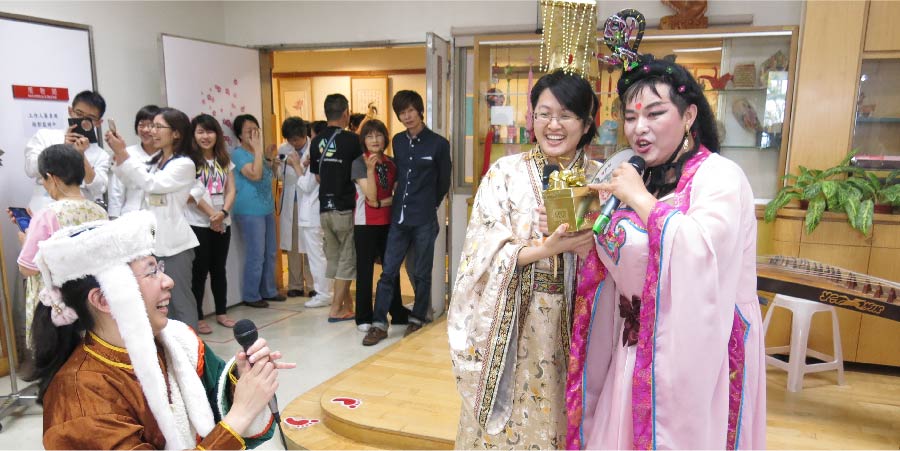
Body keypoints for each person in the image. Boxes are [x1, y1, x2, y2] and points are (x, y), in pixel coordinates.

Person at [567, 23, 766, 449]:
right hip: (633, 350)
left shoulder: (719, 177)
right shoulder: (638, 173)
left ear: (689, 116)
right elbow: (617, 253)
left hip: (692, 357)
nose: (639, 128)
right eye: (631, 116)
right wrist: (586, 230)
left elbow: (700, 256)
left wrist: (641, 200)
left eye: (655, 114)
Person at [26, 211, 293, 449]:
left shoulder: (178, 340)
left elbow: (218, 399)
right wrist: (240, 416)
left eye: (159, 267)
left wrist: (243, 382)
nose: (168, 281)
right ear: (103, 299)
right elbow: (235, 420)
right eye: (151, 272)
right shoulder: (78, 396)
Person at [447, 70, 600, 448]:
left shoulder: (602, 179)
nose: (553, 125)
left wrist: (591, 241)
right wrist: (547, 249)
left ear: (586, 123)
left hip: (581, 323)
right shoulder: (505, 173)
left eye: (566, 115)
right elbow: (480, 251)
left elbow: (625, 257)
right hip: (515, 320)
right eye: (544, 113)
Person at [363, 90, 450, 346]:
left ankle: (417, 319)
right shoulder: (398, 141)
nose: (407, 116)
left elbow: (443, 181)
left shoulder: (438, 143)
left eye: (411, 110)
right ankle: (379, 324)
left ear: (420, 110)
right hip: (399, 218)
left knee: (421, 273)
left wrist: (429, 204)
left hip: (424, 218)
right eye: (402, 112)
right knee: (388, 272)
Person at [105, 107, 203, 330]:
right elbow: (131, 181)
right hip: (150, 242)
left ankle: (192, 347)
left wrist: (124, 155)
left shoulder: (184, 164)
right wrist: (120, 155)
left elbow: (152, 184)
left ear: (176, 133)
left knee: (180, 302)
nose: (152, 131)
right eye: (151, 126)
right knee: (156, 302)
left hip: (174, 245)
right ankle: (168, 347)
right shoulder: (156, 159)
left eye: (158, 126)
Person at [13, 145, 108, 346]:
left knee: (56, 355)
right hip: (91, 298)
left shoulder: (47, 215)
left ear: (52, 177)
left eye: (43, 179)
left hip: (57, 306)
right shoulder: (99, 212)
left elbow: (27, 268)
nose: (44, 184)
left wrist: (26, 240)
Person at [350, 119, 409, 333]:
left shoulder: (391, 163)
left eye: (378, 135)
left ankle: (397, 311)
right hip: (365, 223)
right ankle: (363, 316)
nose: (374, 140)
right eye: (369, 136)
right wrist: (370, 171)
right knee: (365, 270)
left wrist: (380, 203)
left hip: (388, 222)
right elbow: (371, 196)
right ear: (363, 140)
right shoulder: (359, 163)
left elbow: (397, 196)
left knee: (391, 269)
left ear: (385, 138)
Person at [309, 94, 361, 322]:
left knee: (335, 258)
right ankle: (336, 309)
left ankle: (348, 306)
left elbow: (318, 177)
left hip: (324, 209)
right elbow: (359, 174)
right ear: (346, 113)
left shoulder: (315, 141)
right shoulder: (353, 140)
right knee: (347, 260)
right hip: (344, 207)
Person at [185, 114, 237, 334]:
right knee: (199, 271)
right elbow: (190, 195)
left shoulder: (223, 160)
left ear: (217, 134)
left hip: (222, 220)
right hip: (197, 223)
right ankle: (197, 316)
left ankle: (221, 312)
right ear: (193, 135)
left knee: (219, 269)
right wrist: (212, 215)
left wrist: (222, 213)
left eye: (209, 131)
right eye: (200, 132)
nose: (205, 136)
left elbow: (231, 189)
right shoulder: (188, 162)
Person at [230, 114, 285, 308]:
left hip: (267, 208)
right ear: (239, 135)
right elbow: (254, 175)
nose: (254, 134)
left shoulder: (258, 153)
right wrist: (259, 149)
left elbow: (269, 176)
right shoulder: (238, 154)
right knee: (256, 253)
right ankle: (251, 295)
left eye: (256, 130)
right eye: (249, 131)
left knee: (271, 252)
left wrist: (269, 160)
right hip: (249, 210)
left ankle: (269, 290)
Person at [24, 90, 110, 213]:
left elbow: (98, 188)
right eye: (79, 114)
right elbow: (31, 169)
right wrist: (63, 149)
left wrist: (81, 155)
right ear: (70, 111)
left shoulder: (101, 155)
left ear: (98, 122)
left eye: (90, 118)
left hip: (80, 213)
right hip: (44, 208)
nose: (82, 121)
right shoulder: (44, 136)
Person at [285, 128, 333, 309]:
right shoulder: (322, 155)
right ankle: (325, 292)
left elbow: (306, 185)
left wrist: (297, 166)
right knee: (320, 255)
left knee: (317, 256)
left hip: (313, 214)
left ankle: (323, 293)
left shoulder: (317, 156)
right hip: (316, 212)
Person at [276, 117, 315, 298]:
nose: (293, 143)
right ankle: (295, 285)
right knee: (292, 244)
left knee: (309, 244)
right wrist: (276, 165)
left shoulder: (314, 148)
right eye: (290, 140)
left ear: (304, 134)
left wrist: (298, 165)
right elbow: (280, 175)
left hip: (308, 201)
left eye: (296, 140)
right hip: (290, 202)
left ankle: (313, 284)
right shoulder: (283, 149)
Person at [108, 105, 161, 218]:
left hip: (158, 216)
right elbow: (117, 189)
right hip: (130, 215)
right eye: (141, 125)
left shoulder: (166, 155)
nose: (145, 130)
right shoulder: (126, 153)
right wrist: (114, 217)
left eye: (150, 125)